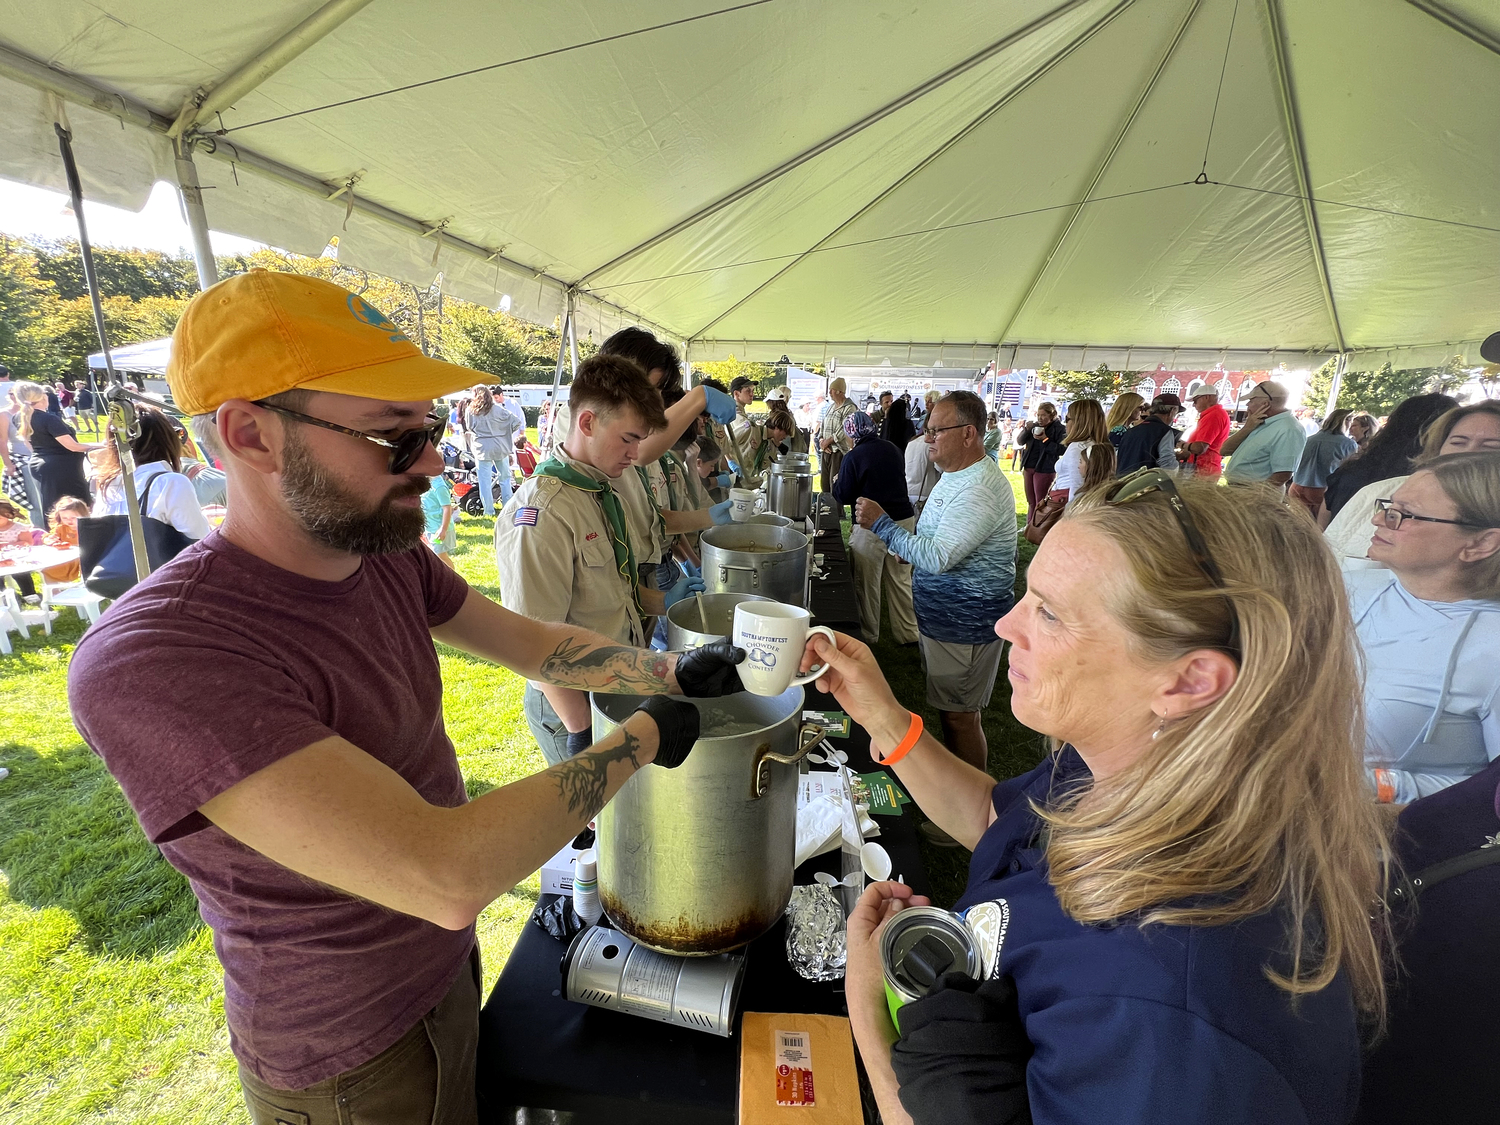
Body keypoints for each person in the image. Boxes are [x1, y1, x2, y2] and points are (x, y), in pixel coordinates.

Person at [67, 271, 748, 1125]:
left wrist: (670, 673)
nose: (433, 461)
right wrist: (640, 739)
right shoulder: (161, 657)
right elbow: (445, 870)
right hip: (347, 1058)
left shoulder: (378, 551)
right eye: (395, 439)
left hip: (443, 972)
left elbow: (532, 641)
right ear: (249, 435)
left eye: (426, 429)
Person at [811, 471, 1390, 1125]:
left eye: (1050, 613)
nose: (1006, 625)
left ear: (1189, 679)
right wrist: (882, 714)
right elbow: (995, 819)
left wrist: (866, 1006)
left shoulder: (1175, 1023)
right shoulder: (1133, 759)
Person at [497, 353, 727, 766]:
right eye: (628, 439)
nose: (636, 453)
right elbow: (529, 645)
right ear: (587, 423)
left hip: (617, 679)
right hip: (574, 703)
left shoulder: (603, 487)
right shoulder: (542, 513)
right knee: (591, 821)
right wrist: (581, 731)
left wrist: (661, 602)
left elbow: (605, 591)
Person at [854, 391, 1017, 821]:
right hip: (945, 621)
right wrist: (913, 547)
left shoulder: (979, 487)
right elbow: (938, 543)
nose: (927, 439)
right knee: (951, 711)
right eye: (926, 429)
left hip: (965, 624)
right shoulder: (956, 474)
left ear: (968, 434)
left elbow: (941, 557)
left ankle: (973, 814)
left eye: (935, 430)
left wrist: (884, 526)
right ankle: (961, 798)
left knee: (960, 718)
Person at [1348, 453, 1500, 805]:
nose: (1378, 519)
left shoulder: (1492, 648)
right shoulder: (1342, 590)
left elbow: (1492, 797)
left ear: (1481, 544)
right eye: (1389, 506)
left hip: (1378, 846)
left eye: (1405, 514)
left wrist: (1378, 787)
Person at [1320, 395, 1476, 562]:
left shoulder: (1352, 470)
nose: (1378, 518)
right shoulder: (1427, 486)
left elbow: (1323, 522)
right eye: (1459, 441)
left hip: (1336, 564)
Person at [833, 411, 918, 647]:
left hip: (871, 524)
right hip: (903, 518)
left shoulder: (854, 456)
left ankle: (869, 635)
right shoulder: (892, 448)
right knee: (901, 579)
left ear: (852, 433)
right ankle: (908, 633)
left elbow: (843, 494)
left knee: (866, 581)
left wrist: (837, 481)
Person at [90, 405, 211, 541]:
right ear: (167, 440)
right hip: (160, 562)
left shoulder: (109, 482)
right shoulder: (170, 482)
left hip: (110, 562)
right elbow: (200, 540)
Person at [13, 380, 99, 513]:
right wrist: (99, 446)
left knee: (54, 508)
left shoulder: (19, 417)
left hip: (39, 463)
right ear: (43, 397)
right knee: (76, 508)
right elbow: (72, 446)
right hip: (61, 469)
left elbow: (28, 443)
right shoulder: (49, 419)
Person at [1220, 380, 1305, 486]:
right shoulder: (1260, 421)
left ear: (1265, 404)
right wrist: (1247, 428)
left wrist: (1255, 497)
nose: (1247, 404)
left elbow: (1282, 475)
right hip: (1240, 491)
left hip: (1253, 495)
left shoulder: (1289, 429)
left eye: (1251, 400)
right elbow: (1224, 450)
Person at [464, 384, 520, 516]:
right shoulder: (498, 409)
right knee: (505, 478)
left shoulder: (471, 411)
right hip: (500, 446)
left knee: (484, 481)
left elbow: (470, 427)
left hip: (482, 447)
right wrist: (503, 432)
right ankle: (507, 507)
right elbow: (516, 422)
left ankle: (488, 511)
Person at [1288, 409, 1357, 516]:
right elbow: (1349, 471)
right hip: (1322, 489)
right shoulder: (1348, 444)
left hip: (1297, 485)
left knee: (1294, 524)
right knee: (1315, 528)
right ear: (1345, 421)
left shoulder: (1308, 439)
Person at [1048, 398, 1115, 504]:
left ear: (1079, 421)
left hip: (1064, 504)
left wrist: (1069, 516)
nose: (1066, 423)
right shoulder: (1101, 445)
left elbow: (1077, 488)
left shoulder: (1078, 447)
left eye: (1067, 419)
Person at [1114, 393, 1182, 477]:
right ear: (1172, 411)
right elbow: (1168, 466)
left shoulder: (1130, 431)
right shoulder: (1165, 431)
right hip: (1144, 485)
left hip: (1123, 484)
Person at [1017, 402, 1065, 512]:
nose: (1040, 418)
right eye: (1038, 415)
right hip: (1029, 467)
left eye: (1043, 415)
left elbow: (1061, 450)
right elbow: (1020, 442)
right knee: (1031, 502)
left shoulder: (1059, 429)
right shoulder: (1034, 426)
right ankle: (1029, 526)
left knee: (1041, 502)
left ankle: (1038, 527)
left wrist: (1045, 439)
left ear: (1052, 416)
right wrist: (1026, 430)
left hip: (1045, 469)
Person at [1181, 381, 1230, 478]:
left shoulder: (1214, 415)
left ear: (1206, 397)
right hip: (1204, 469)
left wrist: (1183, 445)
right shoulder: (1214, 414)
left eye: (1195, 401)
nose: (1194, 405)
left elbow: (1200, 448)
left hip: (1204, 471)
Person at [817, 377, 858, 493]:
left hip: (838, 452)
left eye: (832, 390)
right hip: (826, 451)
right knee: (824, 484)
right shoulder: (831, 407)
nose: (829, 393)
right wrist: (821, 441)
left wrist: (828, 441)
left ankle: (836, 511)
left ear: (840, 391)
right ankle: (826, 509)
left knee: (834, 484)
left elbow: (845, 429)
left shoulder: (849, 408)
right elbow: (823, 425)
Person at [41, 496, 89, 584]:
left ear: (83, 515)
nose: (69, 521)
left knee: (87, 570)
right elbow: (49, 536)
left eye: (73, 518)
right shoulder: (61, 528)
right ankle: (54, 593)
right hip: (66, 560)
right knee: (48, 570)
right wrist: (50, 539)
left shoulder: (88, 528)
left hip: (82, 559)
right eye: (64, 518)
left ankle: (84, 587)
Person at [0, 498, 41, 601]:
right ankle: (4, 595)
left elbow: (28, 542)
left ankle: (29, 594)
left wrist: (9, 545)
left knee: (21, 574)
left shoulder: (18, 528)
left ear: (8, 515)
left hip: (16, 558)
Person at [422, 469, 457, 569]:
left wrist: (443, 529)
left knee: (440, 556)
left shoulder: (439, 486)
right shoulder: (428, 482)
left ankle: (453, 580)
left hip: (439, 528)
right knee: (434, 554)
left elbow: (447, 507)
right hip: (430, 527)